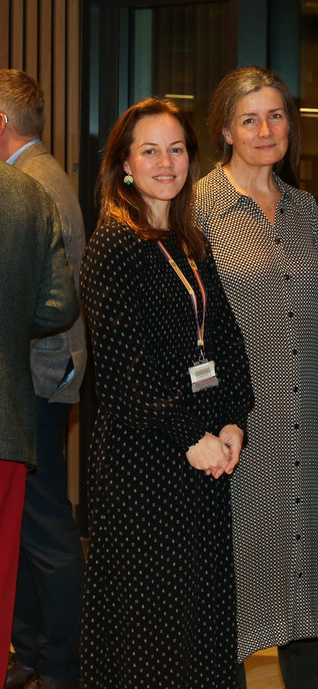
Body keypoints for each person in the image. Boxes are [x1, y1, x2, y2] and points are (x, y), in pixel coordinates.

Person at [79, 98, 253, 689]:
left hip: (201, 458)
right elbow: (125, 374)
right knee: (150, 629)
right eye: (149, 150)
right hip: (144, 464)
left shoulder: (186, 239)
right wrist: (193, 437)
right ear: (124, 164)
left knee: (199, 622)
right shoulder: (113, 245)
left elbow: (226, 343)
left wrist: (232, 423)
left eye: (176, 149)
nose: (165, 162)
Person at [195, 68, 318, 688]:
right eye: (249, 119)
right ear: (225, 129)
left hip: (302, 424)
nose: (265, 129)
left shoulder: (304, 208)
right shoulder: (197, 208)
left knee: (304, 591)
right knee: (234, 585)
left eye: (276, 115)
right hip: (235, 429)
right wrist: (203, 423)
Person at [1, 69, 88, 689]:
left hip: (36, 377)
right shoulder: (43, 175)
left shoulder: (32, 184)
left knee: (46, 527)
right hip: (40, 372)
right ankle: (31, 650)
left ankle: (60, 663)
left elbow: (58, 299)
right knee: (30, 529)